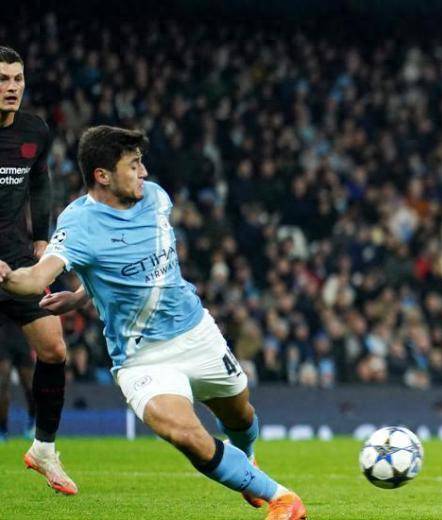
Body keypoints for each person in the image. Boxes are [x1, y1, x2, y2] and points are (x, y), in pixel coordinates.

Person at [0, 125, 307, 520]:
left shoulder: (157, 199)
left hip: (196, 333)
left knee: (240, 415)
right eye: (133, 165)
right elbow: (35, 279)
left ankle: (246, 462)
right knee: (186, 435)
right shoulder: (77, 224)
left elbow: (131, 270)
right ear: (102, 175)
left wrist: (80, 296)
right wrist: (7, 277)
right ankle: (283, 499)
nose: (143, 172)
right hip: (141, 357)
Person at [0, 45, 77, 494]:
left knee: (53, 349)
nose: (12, 88)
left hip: (17, 260)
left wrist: (43, 239)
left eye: (17, 79)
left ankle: (44, 448)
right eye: (2, 80)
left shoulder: (34, 130)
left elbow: (40, 181)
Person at [0, 315, 35, 441]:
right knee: (2, 385)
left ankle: (32, 422)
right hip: (2, 336)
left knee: (30, 386)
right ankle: (2, 428)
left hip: (22, 336)